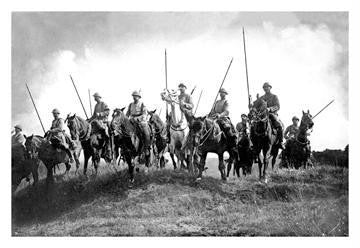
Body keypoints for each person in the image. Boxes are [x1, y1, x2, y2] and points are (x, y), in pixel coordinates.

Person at [126, 90, 151, 165]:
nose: (134, 97)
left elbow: (144, 114)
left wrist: (137, 118)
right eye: (133, 96)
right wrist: (126, 119)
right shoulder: (130, 105)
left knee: (146, 132)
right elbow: (127, 114)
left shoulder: (142, 104)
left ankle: (146, 147)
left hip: (140, 121)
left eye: (136, 96)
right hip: (132, 121)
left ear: (139, 97)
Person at [259, 82, 285, 149]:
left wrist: (270, 109)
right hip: (263, 115)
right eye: (264, 87)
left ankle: (280, 142)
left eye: (267, 87)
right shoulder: (261, 98)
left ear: (270, 87)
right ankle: (253, 142)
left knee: (279, 125)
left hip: (272, 114)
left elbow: (277, 106)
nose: (266, 88)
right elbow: (256, 106)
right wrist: (251, 104)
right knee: (254, 124)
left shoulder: (274, 96)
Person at [89, 92, 112, 159]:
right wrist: (89, 120)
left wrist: (100, 114)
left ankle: (108, 147)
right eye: (94, 97)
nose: (94, 98)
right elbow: (94, 115)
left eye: (95, 97)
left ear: (99, 97)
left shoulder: (103, 104)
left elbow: (107, 112)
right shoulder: (96, 105)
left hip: (103, 122)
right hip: (96, 122)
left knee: (106, 134)